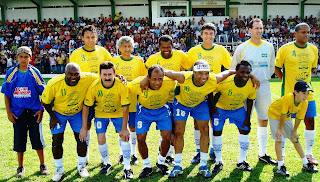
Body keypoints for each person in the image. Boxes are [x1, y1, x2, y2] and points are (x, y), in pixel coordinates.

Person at [165, 60, 237, 178]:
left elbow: (227, 73)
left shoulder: (212, 79)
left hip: (199, 104)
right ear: (193, 72)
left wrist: (247, 74)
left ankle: (203, 165)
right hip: (182, 103)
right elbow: (168, 72)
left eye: (206, 73)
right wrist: (147, 78)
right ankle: (177, 165)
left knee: (205, 130)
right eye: (200, 73)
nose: (204, 76)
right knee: (179, 132)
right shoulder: (184, 77)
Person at [230, 18, 277, 165]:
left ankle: (263, 153)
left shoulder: (269, 47)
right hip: (245, 88)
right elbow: (233, 69)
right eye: (256, 28)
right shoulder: (242, 47)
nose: (259, 31)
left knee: (264, 119)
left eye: (261, 28)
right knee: (244, 121)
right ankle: (242, 158)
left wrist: (261, 79)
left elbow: (271, 68)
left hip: (263, 87)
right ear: (249, 30)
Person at [42, 63, 99, 181]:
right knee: (57, 140)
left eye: (76, 74)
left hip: (77, 113)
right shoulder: (54, 83)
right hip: (58, 113)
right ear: (65, 74)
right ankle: (59, 169)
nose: (73, 77)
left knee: (82, 139)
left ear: (80, 74)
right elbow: (45, 101)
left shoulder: (87, 77)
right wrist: (52, 117)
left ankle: (82, 166)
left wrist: (118, 76)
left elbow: (102, 76)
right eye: (70, 74)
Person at [186, 23, 232, 164]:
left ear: (214, 35)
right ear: (201, 35)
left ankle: (212, 149)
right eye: (206, 33)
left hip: (215, 91)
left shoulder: (221, 50)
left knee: (214, 121)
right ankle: (199, 151)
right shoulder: (194, 51)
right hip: (197, 91)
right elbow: (186, 69)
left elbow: (230, 68)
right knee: (197, 123)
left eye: (211, 34)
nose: (208, 36)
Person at [1, 46, 49, 178]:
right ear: (17, 58)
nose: (23, 59)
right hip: (18, 113)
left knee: (37, 139)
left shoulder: (34, 72)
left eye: (26, 56)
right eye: (21, 56)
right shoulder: (11, 73)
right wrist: (9, 113)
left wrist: (41, 109)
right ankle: (20, 167)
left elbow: (44, 93)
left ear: (30, 58)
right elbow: (6, 94)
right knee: (19, 140)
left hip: (33, 112)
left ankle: (43, 164)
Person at [275, 23, 318, 165]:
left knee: (310, 121)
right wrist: (286, 82)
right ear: (295, 34)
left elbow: (312, 69)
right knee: (285, 123)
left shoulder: (313, 49)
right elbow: (277, 68)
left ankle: (309, 153)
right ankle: (282, 155)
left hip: (307, 95)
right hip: (289, 95)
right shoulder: (285, 49)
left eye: (308, 32)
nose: (306, 35)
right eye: (303, 32)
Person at [82, 61, 133, 179]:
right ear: (99, 74)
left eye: (110, 74)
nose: (107, 77)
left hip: (119, 113)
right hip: (101, 114)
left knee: (125, 137)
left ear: (115, 74)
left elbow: (126, 107)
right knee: (100, 137)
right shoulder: (94, 86)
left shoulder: (121, 84)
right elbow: (86, 106)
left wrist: (124, 128)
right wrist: (84, 127)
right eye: (104, 75)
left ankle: (127, 167)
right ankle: (107, 163)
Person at [145, 35, 190, 165]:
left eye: (168, 47)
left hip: (176, 98)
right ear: (158, 47)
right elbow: (146, 76)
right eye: (163, 47)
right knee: (166, 128)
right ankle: (165, 153)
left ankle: (168, 154)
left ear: (172, 46)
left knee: (176, 128)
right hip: (160, 98)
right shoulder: (153, 59)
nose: (166, 49)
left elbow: (185, 72)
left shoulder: (180, 55)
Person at [70, 25, 112, 164]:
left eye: (93, 37)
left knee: (102, 125)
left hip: (101, 94)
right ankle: (85, 154)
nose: (90, 40)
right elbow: (72, 75)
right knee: (86, 124)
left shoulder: (103, 51)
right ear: (82, 38)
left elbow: (111, 69)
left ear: (96, 37)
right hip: (84, 95)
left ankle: (104, 157)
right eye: (87, 37)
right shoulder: (76, 54)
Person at [128, 65, 176, 178]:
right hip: (144, 111)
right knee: (140, 138)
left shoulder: (169, 82)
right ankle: (147, 166)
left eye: (160, 79)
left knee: (167, 137)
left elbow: (181, 78)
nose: (158, 82)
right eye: (154, 79)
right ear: (148, 77)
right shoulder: (137, 84)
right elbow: (124, 87)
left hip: (162, 110)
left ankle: (161, 162)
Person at [211, 61, 257, 174]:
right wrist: (212, 108)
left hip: (238, 108)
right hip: (221, 108)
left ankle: (242, 161)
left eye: (247, 73)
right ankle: (218, 161)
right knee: (216, 132)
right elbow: (210, 91)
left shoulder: (252, 84)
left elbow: (251, 99)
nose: (245, 75)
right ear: (236, 72)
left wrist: (248, 118)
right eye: (242, 72)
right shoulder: (225, 82)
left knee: (245, 130)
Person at [268, 81, 318, 176]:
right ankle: (280, 166)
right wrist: (280, 128)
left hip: (286, 116)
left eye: (307, 94)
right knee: (279, 138)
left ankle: (305, 163)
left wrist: (294, 131)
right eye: (303, 93)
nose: (306, 96)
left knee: (295, 139)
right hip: (274, 114)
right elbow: (282, 114)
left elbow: (299, 118)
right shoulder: (288, 98)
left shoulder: (305, 103)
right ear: (296, 92)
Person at [111, 36, 147, 165]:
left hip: (134, 100)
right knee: (122, 127)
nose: (127, 49)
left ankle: (133, 154)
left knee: (132, 127)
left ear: (133, 47)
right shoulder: (114, 61)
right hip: (119, 100)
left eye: (129, 46)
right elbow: (109, 76)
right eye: (124, 46)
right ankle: (122, 153)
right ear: (119, 48)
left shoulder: (138, 61)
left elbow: (144, 78)